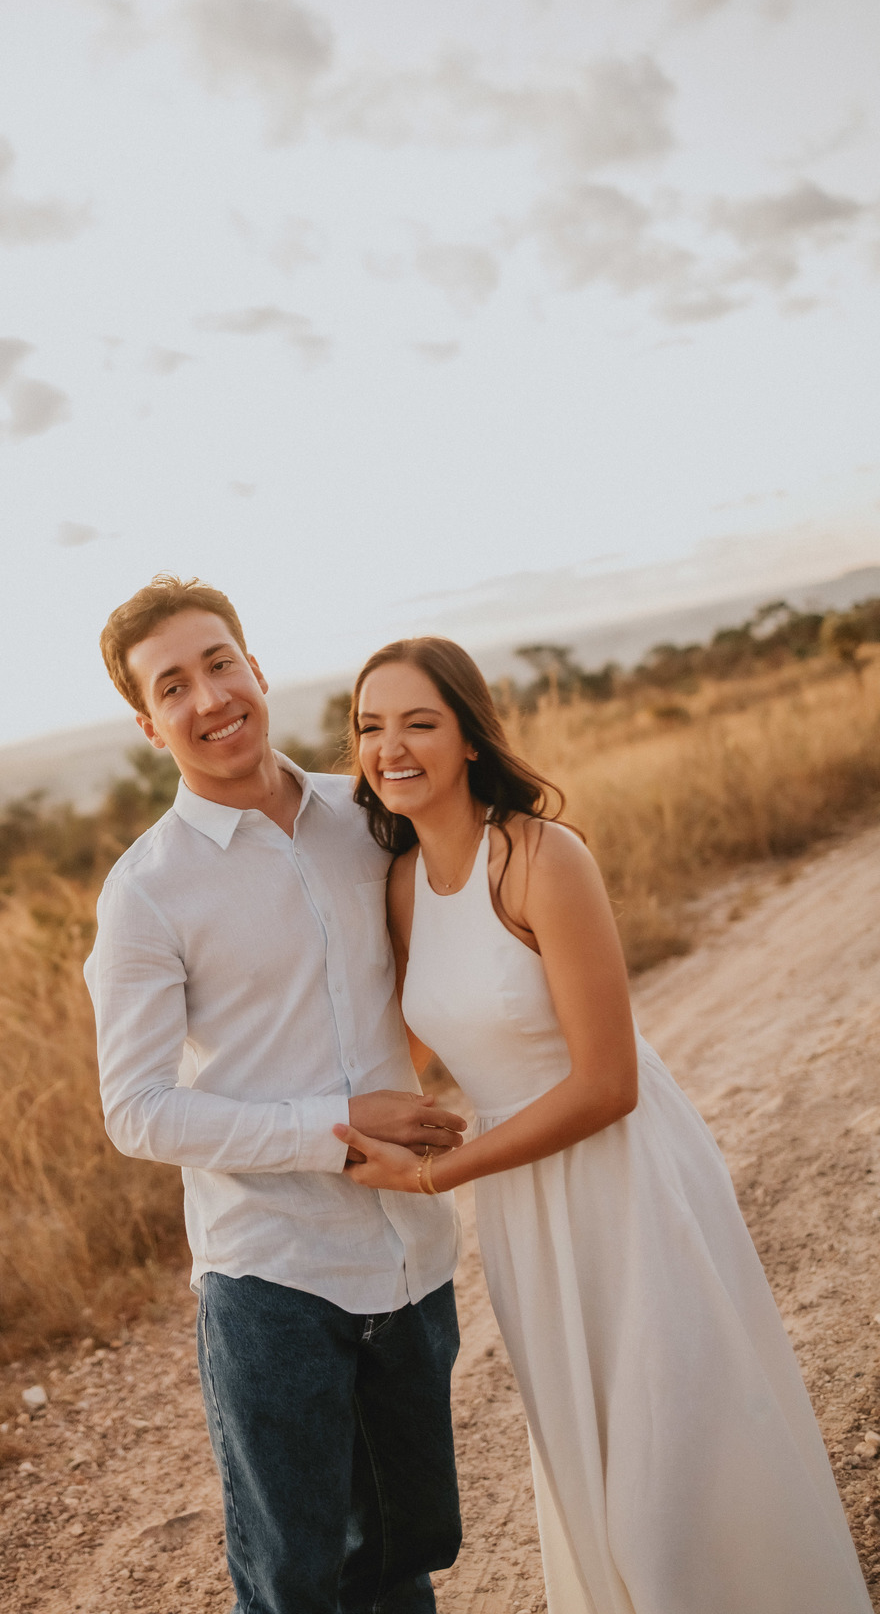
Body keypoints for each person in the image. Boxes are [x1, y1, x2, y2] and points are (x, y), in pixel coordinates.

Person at [333, 635, 870, 1614]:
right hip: (524, 1205)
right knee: (594, 1447)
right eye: (371, 726)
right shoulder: (402, 886)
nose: (390, 747)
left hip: (623, 1173)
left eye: (419, 722)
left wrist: (437, 1175)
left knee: (679, 1452)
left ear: (469, 736)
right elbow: (412, 1047)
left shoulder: (541, 856)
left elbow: (608, 1083)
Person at [84, 577, 466, 1614]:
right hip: (274, 1277)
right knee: (296, 1586)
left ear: (255, 668)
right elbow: (138, 1109)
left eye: (220, 664)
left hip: (411, 1253)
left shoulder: (369, 815)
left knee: (404, 1563)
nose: (209, 698)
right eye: (173, 686)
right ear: (148, 723)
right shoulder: (146, 891)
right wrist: (336, 1133)